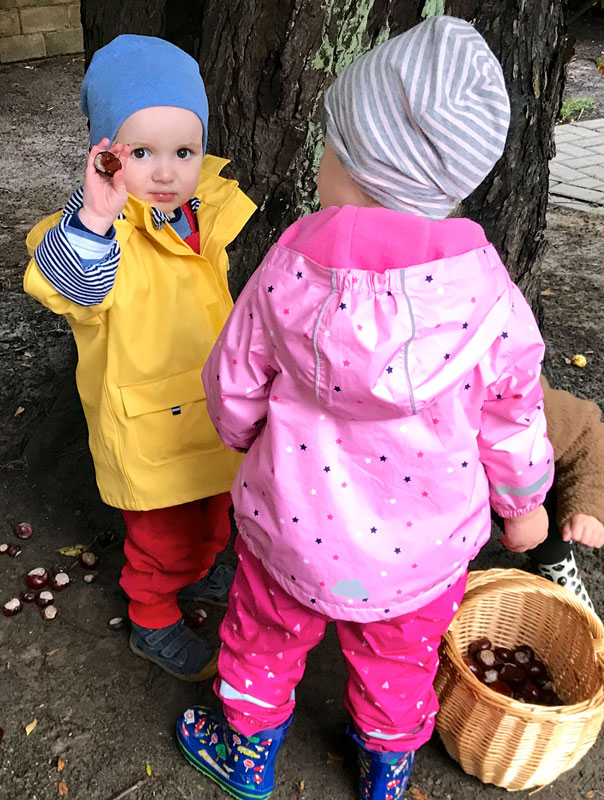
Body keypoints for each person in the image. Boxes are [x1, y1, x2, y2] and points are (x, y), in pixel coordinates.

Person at [176, 16, 554, 800]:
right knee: (400, 662)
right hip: (422, 556)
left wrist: (241, 435)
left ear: (353, 159)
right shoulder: (487, 293)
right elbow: (515, 412)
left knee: (263, 639)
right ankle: (386, 771)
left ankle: (246, 752)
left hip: (290, 530)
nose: (321, 159)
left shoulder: (289, 266)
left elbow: (233, 379)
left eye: (330, 143)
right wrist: (524, 506)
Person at [23, 35, 255, 682]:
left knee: (215, 511)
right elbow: (66, 288)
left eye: (183, 152)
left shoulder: (201, 214)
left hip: (212, 413)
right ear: (103, 155)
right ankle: (152, 617)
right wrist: (95, 218)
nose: (164, 172)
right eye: (141, 153)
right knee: (159, 541)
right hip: (147, 430)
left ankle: (208, 567)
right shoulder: (97, 237)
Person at [521, 377, 604, 610]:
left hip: (510, 489)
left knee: (541, 494)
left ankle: (555, 562)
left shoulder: (517, 393)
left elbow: (586, 440)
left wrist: (588, 506)